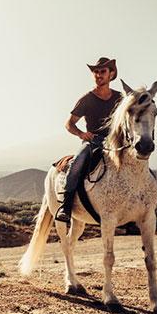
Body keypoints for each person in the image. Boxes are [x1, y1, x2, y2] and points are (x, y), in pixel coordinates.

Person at [55, 57, 122, 223]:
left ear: (111, 74)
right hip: (93, 142)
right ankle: (66, 205)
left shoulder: (120, 98)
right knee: (77, 164)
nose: (99, 75)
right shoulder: (87, 99)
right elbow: (69, 124)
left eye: (103, 71)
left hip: (116, 142)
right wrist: (81, 134)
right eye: (96, 72)